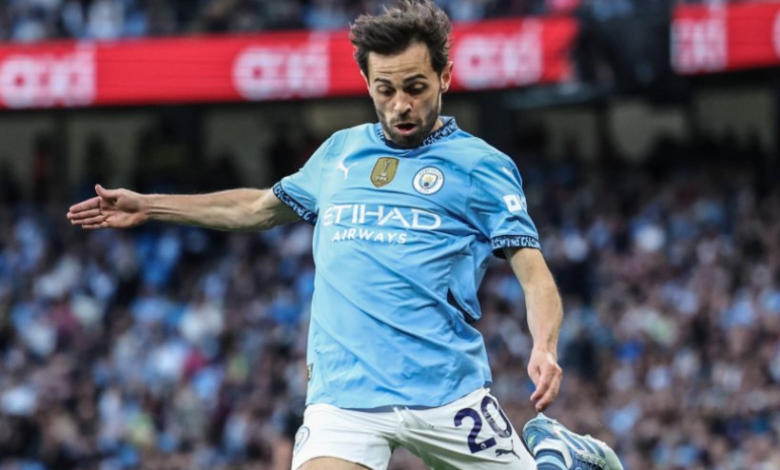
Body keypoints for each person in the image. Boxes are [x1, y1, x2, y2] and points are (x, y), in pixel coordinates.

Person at [68, 2, 623, 470]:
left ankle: (558, 454)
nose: (400, 104)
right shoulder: (340, 152)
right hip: (345, 398)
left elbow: (533, 272)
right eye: (385, 89)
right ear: (367, 84)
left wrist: (544, 346)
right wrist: (151, 205)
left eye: (415, 87)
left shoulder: (481, 166)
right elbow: (257, 208)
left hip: (446, 391)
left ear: (445, 78)